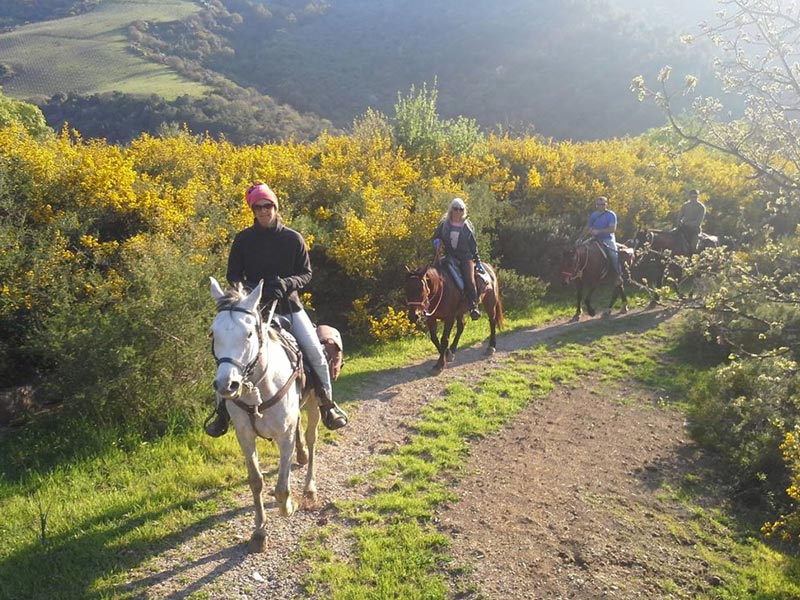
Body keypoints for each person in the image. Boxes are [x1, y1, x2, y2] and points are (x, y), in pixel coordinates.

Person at [204, 182, 348, 437]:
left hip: (289, 304)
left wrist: (286, 283)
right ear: (253, 210)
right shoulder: (243, 240)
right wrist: (250, 290)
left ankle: (327, 404)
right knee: (230, 353)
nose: (263, 211)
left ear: (275, 206)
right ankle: (221, 413)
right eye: (258, 207)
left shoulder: (293, 238)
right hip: (252, 307)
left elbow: (306, 273)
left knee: (315, 352)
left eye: (267, 205)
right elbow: (233, 275)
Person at [432, 197, 484, 320]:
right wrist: (437, 242)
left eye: (461, 209)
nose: (458, 211)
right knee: (434, 273)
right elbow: (436, 236)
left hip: (465, 258)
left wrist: (478, 261)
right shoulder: (444, 223)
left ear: (464, 211)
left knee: (469, 280)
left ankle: (473, 306)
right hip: (449, 256)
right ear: (451, 210)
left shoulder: (467, 225)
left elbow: (473, 245)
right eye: (455, 209)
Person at [582, 196, 622, 284]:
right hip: (595, 238)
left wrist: (598, 231)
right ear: (596, 205)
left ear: (606, 204)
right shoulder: (594, 215)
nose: (601, 206)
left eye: (603, 204)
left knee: (614, 255)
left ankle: (618, 275)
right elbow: (588, 226)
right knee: (581, 249)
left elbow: (612, 229)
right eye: (599, 204)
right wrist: (581, 237)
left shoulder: (611, 215)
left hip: (608, 239)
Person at [676, 189, 706, 253]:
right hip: (683, 229)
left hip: (694, 230)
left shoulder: (701, 207)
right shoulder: (685, 205)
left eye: (695, 197)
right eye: (692, 197)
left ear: (698, 197)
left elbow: (698, 222)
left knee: (694, 246)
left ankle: (693, 258)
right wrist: (679, 222)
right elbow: (680, 216)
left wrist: (687, 224)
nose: (694, 199)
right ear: (689, 197)